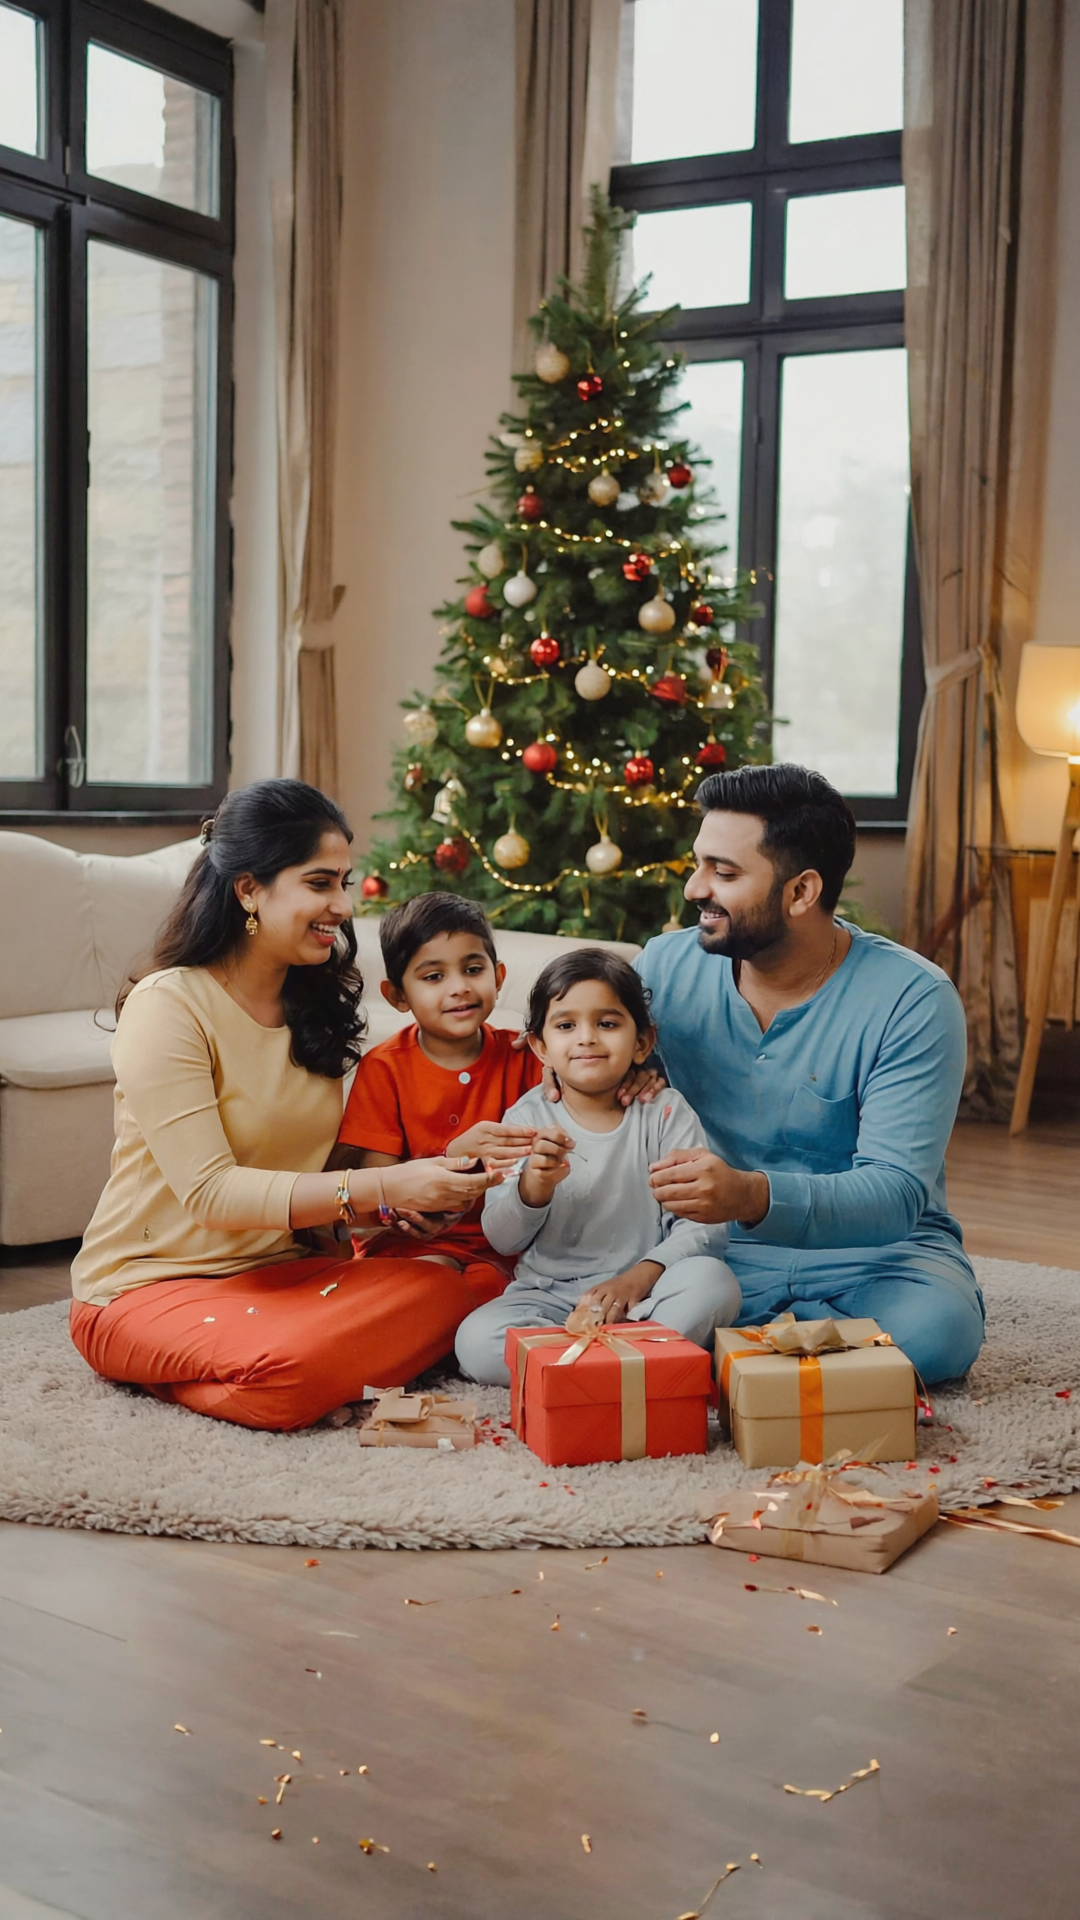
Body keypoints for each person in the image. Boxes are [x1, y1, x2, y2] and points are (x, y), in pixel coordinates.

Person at [69, 780, 500, 1432]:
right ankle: (262, 1379)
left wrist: (404, 1204)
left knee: (445, 1289)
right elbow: (211, 1194)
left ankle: (284, 1373)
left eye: (345, 883)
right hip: (145, 1285)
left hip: (282, 1273)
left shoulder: (314, 1007)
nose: (343, 905)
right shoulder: (170, 1005)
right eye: (321, 883)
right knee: (294, 1370)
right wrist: (383, 1183)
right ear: (249, 890)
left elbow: (321, 1184)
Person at [634, 763, 984, 1387]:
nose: (694, 889)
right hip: (714, 1250)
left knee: (938, 1331)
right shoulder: (664, 968)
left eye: (724, 872)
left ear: (801, 893)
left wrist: (750, 1195)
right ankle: (791, 1350)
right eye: (698, 864)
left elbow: (898, 1193)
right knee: (625, 1293)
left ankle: (733, 1351)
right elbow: (598, 1075)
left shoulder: (914, 998)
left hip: (878, 1257)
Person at [454, 949, 740, 1386]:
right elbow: (502, 1238)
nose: (587, 1037)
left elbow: (703, 1225)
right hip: (549, 1302)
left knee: (714, 1283)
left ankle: (581, 1376)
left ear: (642, 1042)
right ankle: (630, 1370)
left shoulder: (665, 1113)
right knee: (475, 1341)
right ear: (541, 1046)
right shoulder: (525, 1122)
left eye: (607, 1023)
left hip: (644, 1298)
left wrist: (639, 1279)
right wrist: (534, 1186)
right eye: (566, 1025)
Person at [332, 892, 545, 1304]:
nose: (460, 988)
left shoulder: (527, 1056)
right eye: (433, 977)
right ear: (397, 995)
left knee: (510, 1289)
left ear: (498, 978)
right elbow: (379, 1194)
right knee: (424, 1287)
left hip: (510, 1247)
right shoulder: (385, 1069)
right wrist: (411, 1210)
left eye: (473, 969)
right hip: (416, 1248)